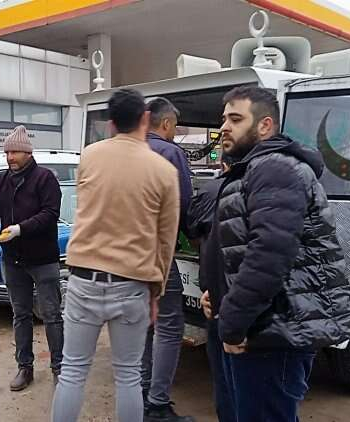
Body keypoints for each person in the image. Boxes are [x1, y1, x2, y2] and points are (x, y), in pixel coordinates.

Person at [214, 86, 350, 421]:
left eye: (235, 119)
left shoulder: (275, 168)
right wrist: (220, 295)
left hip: (277, 330)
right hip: (265, 325)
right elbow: (243, 246)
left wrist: (233, 322)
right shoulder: (254, 168)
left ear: (265, 126)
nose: (224, 127)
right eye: (224, 119)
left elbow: (269, 255)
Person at [51, 89, 180, 422]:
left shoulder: (89, 156)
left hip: (84, 278)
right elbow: (165, 241)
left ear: (110, 123)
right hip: (132, 283)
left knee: (72, 371)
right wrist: (157, 291)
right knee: (128, 375)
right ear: (145, 119)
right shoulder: (163, 170)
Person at [0, 125, 64, 391]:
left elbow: (50, 214)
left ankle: (60, 369)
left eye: (15, 152)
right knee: (21, 315)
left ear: (28, 153)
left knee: (51, 315)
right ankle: (24, 367)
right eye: (7, 153)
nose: (10, 157)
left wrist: (19, 229)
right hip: (12, 259)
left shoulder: (45, 178)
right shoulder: (1, 180)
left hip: (43, 259)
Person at [140, 98, 195, 422]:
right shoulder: (170, 153)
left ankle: (142, 393)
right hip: (158, 254)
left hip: (125, 257)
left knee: (145, 323)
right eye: (175, 126)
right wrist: (195, 238)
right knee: (170, 324)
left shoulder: (127, 150)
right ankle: (157, 405)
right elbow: (184, 205)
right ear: (166, 124)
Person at [188, 155, 235, 422]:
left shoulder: (210, 190)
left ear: (222, 166)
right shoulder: (266, 191)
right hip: (245, 300)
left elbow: (191, 228)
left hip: (214, 292)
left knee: (222, 375)